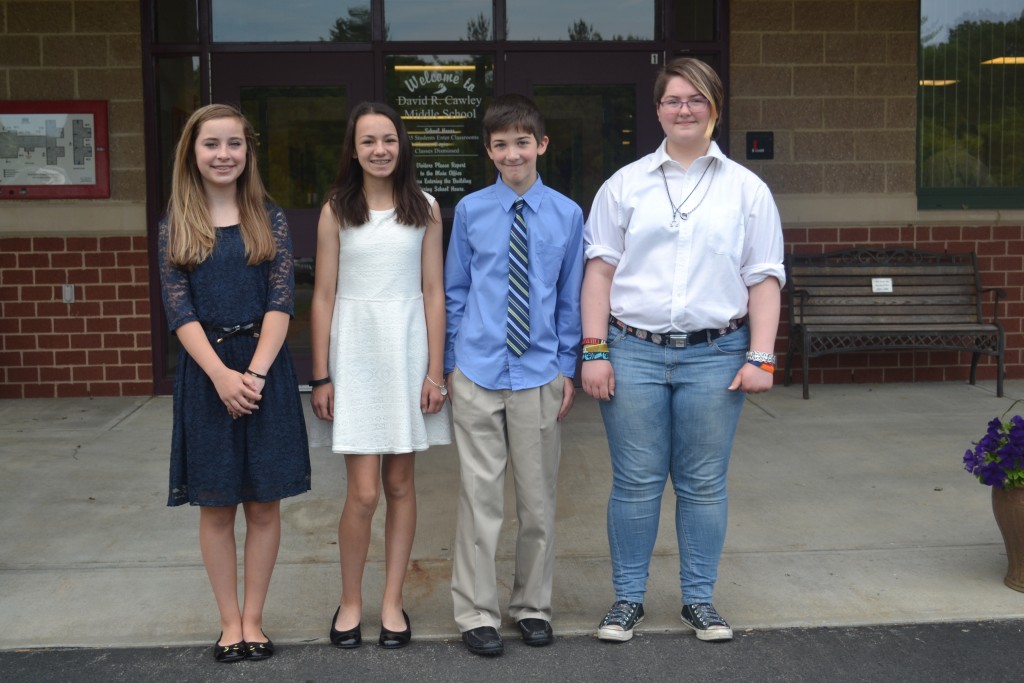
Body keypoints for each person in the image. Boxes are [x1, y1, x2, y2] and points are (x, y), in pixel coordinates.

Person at [581, 57, 785, 644]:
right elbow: (599, 273)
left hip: (716, 355)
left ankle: (700, 600)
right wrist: (595, 351)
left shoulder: (747, 190)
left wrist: (762, 356)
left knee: (702, 484)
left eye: (696, 99)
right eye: (673, 99)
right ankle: (627, 600)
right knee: (635, 483)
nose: (684, 109)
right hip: (634, 351)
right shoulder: (624, 185)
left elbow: (763, 279)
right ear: (658, 110)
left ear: (715, 107)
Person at [158, 103, 311, 663]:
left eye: (234, 144)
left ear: (248, 152)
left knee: (264, 505)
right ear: (192, 153)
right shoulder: (176, 224)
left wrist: (255, 374)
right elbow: (179, 312)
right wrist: (222, 377)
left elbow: (281, 301)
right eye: (211, 144)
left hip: (264, 373)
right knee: (218, 506)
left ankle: (254, 619)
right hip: (208, 378)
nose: (223, 154)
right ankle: (229, 623)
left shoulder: (269, 218)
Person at [445, 93, 584, 656]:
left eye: (522, 142)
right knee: (479, 499)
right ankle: (476, 611)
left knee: (538, 501)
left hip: (539, 371)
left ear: (541, 145)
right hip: (477, 371)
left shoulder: (567, 214)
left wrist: (567, 367)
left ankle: (532, 606)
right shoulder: (471, 211)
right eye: (500, 144)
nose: (512, 153)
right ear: (488, 151)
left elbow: (569, 297)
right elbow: (456, 290)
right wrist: (452, 363)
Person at [309, 102, 450, 651]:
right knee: (364, 492)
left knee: (400, 485)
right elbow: (323, 296)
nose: (380, 150)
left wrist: (435, 373)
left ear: (401, 144)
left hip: (408, 351)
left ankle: (392, 601)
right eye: (368, 141)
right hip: (356, 354)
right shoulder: (336, 210)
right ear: (353, 149)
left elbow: (433, 293)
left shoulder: (425, 208)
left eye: (388, 139)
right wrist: (321, 376)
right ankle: (350, 601)